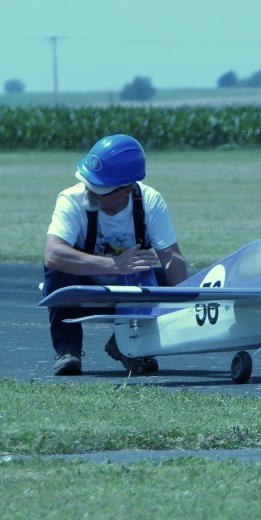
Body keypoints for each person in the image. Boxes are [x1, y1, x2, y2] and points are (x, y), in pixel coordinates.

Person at [43, 134, 188, 375]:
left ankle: (131, 343)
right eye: (89, 181)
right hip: (84, 293)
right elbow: (53, 254)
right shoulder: (71, 199)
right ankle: (68, 351)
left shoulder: (150, 201)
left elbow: (173, 258)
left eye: (102, 188)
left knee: (169, 282)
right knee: (59, 270)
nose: (92, 190)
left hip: (130, 291)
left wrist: (184, 306)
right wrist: (114, 264)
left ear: (128, 189)